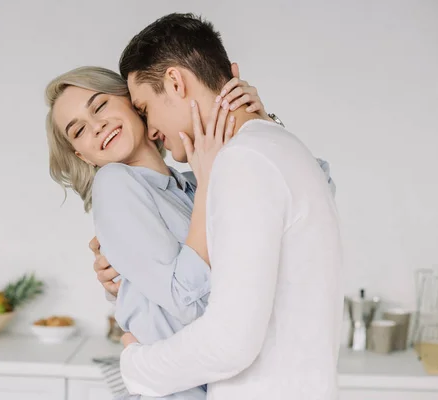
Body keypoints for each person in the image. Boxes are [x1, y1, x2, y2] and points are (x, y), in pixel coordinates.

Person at [92, 13, 343, 400]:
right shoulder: (278, 149)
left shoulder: (242, 161)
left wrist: (136, 366)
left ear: (175, 82)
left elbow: (231, 341)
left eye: (144, 108)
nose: (151, 128)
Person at [46, 64, 294, 399]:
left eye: (100, 106)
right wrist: (208, 180)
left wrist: (259, 122)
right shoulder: (117, 182)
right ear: (82, 154)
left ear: (133, 103)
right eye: (78, 131)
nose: (97, 126)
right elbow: (184, 298)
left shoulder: (192, 185)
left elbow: (308, 193)